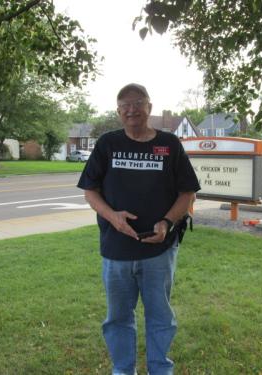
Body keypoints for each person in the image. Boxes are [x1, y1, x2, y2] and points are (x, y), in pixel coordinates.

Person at [77, 83, 200, 375]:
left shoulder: (169, 145)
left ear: (149, 107)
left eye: (137, 103)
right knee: (118, 319)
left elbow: (187, 193)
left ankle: (160, 369)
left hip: (158, 251)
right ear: (118, 111)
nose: (131, 109)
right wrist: (113, 217)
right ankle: (123, 371)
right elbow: (90, 191)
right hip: (116, 251)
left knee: (160, 317)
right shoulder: (108, 144)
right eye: (124, 105)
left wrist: (167, 222)